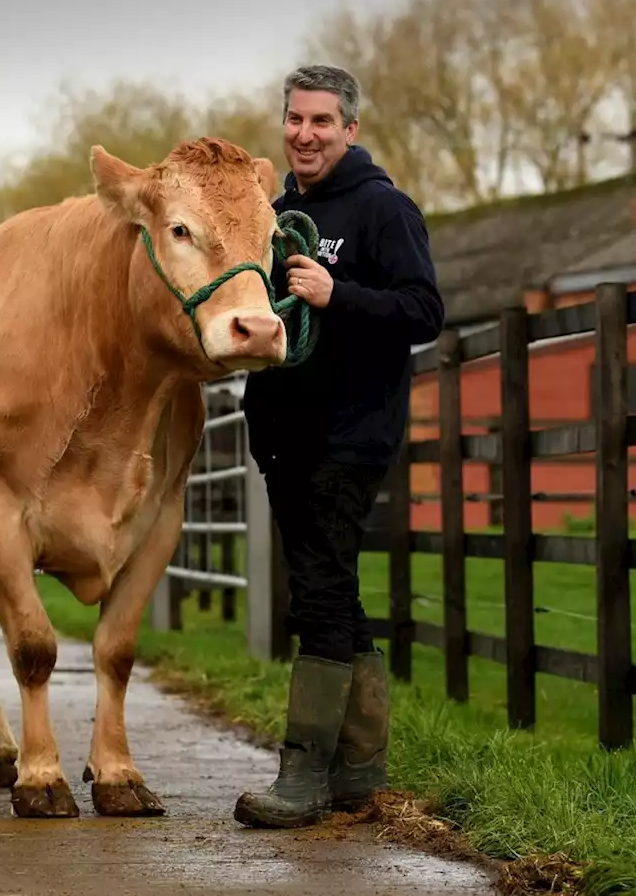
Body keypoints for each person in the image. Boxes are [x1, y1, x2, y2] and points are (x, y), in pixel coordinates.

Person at [234, 66, 445, 829]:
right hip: (284, 434)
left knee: (317, 591)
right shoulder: (278, 211)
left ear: (350, 129)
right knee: (333, 587)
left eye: (322, 121)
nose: (305, 134)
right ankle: (359, 767)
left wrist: (337, 293)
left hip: (350, 435)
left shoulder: (385, 208)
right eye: (295, 119)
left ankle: (302, 775)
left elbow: (424, 310)